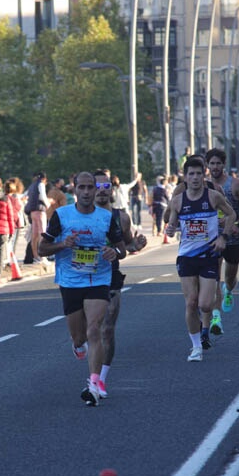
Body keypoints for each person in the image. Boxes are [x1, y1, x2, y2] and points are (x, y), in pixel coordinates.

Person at [38, 171, 126, 405]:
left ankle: (94, 384)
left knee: (95, 329)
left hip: (98, 280)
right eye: (82, 188)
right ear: (74, 190)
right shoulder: (61, 215)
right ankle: (77, 346)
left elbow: (122, 250)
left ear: (96, 190)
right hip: (69, 281)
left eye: (91, 187)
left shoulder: (106, 218)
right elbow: (41, 249)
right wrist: (61, 244)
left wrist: (113, 252)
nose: (87, 192)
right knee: (79, 338)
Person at [166, 155, 235, 362]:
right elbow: (171, 224)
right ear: (185, 178)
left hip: (209, 255)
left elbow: (230, 215)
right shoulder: (178, 201)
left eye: (198, 174)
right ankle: (196, 347)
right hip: (186, 257)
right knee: (190, 303)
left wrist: (223, 237)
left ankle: (206, 318)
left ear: (203, 176)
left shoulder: (213, 197)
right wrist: (170, 229)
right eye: (191, 174)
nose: (195, 178)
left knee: (205, 304)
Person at [94, 170, 146, 398]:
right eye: (98, 186)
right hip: (80, 279)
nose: (103, 191)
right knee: (85, 333)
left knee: (106, 329)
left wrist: (137, 244)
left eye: (107, 187)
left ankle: (100, 380)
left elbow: (125, 247)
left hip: (110, 276)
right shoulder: (74, 217)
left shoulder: (121, 217)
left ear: (111, 190)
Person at [205, 148, 239, 330]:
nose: (215, 167)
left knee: (230, 277)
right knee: (214, 277)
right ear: (207, 165)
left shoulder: (235, 184)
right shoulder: (204, 186)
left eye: (218, 163)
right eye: (212, 163)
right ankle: (216, 317)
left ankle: (229, 289)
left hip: (233, 238)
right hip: (213, 238)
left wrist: (238, 223)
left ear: (223, 165)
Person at [25, 171, 51, 264]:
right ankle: (43, 257)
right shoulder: (41, 184)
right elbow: (42, 197)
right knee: (42, 233)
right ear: (44, 178)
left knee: (34, 234)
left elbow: (25, 196)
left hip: (32, 212)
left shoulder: (31, 186)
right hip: (40, 211)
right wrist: (48, 205)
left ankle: (36, 257)